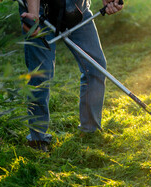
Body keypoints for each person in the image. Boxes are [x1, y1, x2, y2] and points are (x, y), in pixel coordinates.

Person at [19, 0, 123, 152]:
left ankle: (90, 131)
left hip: (76, 7)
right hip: (39, 8)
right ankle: (37, 139)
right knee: (41, 74)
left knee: (95, 66)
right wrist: (33, 15)